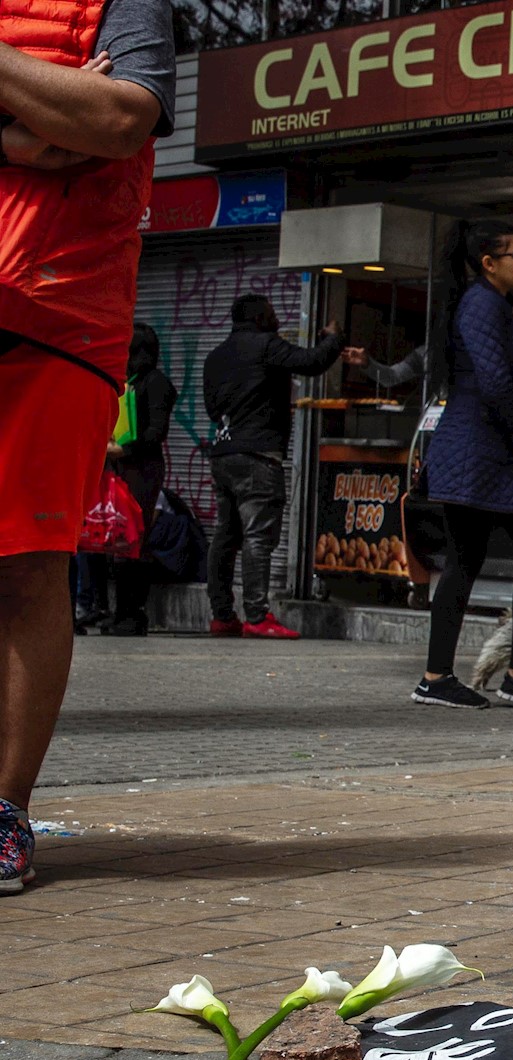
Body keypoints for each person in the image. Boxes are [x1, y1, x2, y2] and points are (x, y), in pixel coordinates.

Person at [0, 0, 177, 895]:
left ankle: (4, 810)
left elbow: (119, 116)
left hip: (60, 319)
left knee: (29, 566)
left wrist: (67, 123)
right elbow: (77, 123)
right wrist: (36, 125)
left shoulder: (130, 3)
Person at [413, 219, 513, 712]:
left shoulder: (489, 304)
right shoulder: (482, 304)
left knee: (472, 563)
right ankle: (509, 674)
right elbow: (497, 382)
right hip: (482, 455)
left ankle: (445, 677)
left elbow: (506, 381)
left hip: (481, 453)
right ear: (488, 263)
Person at [202, 293, 346, 639]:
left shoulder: (216, 356)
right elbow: (311, 362)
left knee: (225, 535)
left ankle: (222, 615)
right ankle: (256, 615)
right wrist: (333, 338)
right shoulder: (266, 345)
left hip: (223, 453)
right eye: (272, 313)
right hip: (257, 456)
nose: (278, 318)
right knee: (257, 537)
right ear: (260, 317)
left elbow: (211, 409)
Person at [81, 322, 177, 636]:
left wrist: (123, 449)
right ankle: (118, 610)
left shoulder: (156, 383)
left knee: (135, 540)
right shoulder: (126, 383)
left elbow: (155, 432)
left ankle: (134, 613)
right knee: (116, 541)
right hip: (120, 468)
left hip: (141, 469)